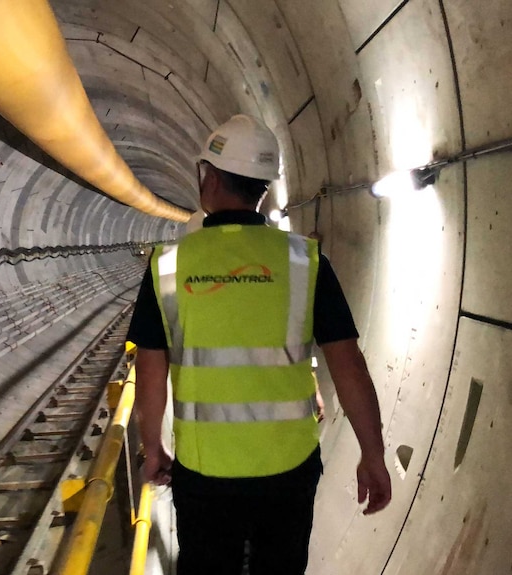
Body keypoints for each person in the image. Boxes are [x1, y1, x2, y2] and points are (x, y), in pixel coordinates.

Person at [127, 115, 391, 575]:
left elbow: (151, 374)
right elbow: (349, 366)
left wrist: (153, 449)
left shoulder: (167, 267)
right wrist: (373, 453)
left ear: (206, 178)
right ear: (264, 189)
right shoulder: (305, 262)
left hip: (205, 472)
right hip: (289, 469)